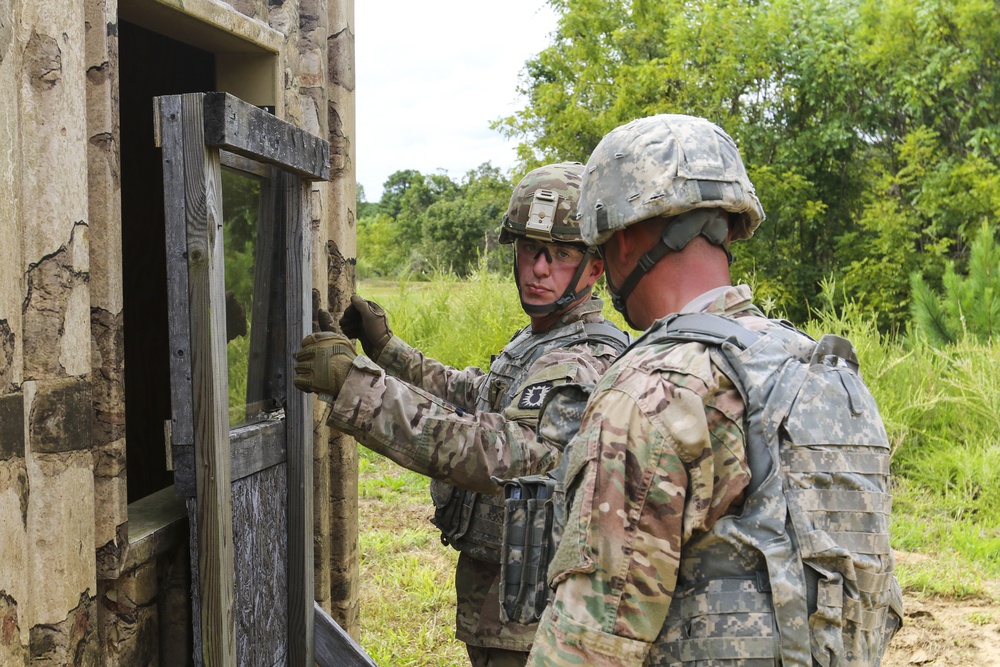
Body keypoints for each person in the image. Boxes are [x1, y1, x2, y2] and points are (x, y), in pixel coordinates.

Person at [525, 115, 903, 666]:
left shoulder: (650, 392)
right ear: (727, 226)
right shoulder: (817, 368)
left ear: (623, 238)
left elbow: (589, 646)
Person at [293, 162, 631, 666]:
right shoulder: (542, 337)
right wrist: (386, 350)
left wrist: (355, 386)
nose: (539, 268)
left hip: (534, 624)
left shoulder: (583, 357)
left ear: (595, 269)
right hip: (504, 606)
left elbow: (502, 453)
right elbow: (478, 396)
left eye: (561, 255)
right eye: (529, 250)